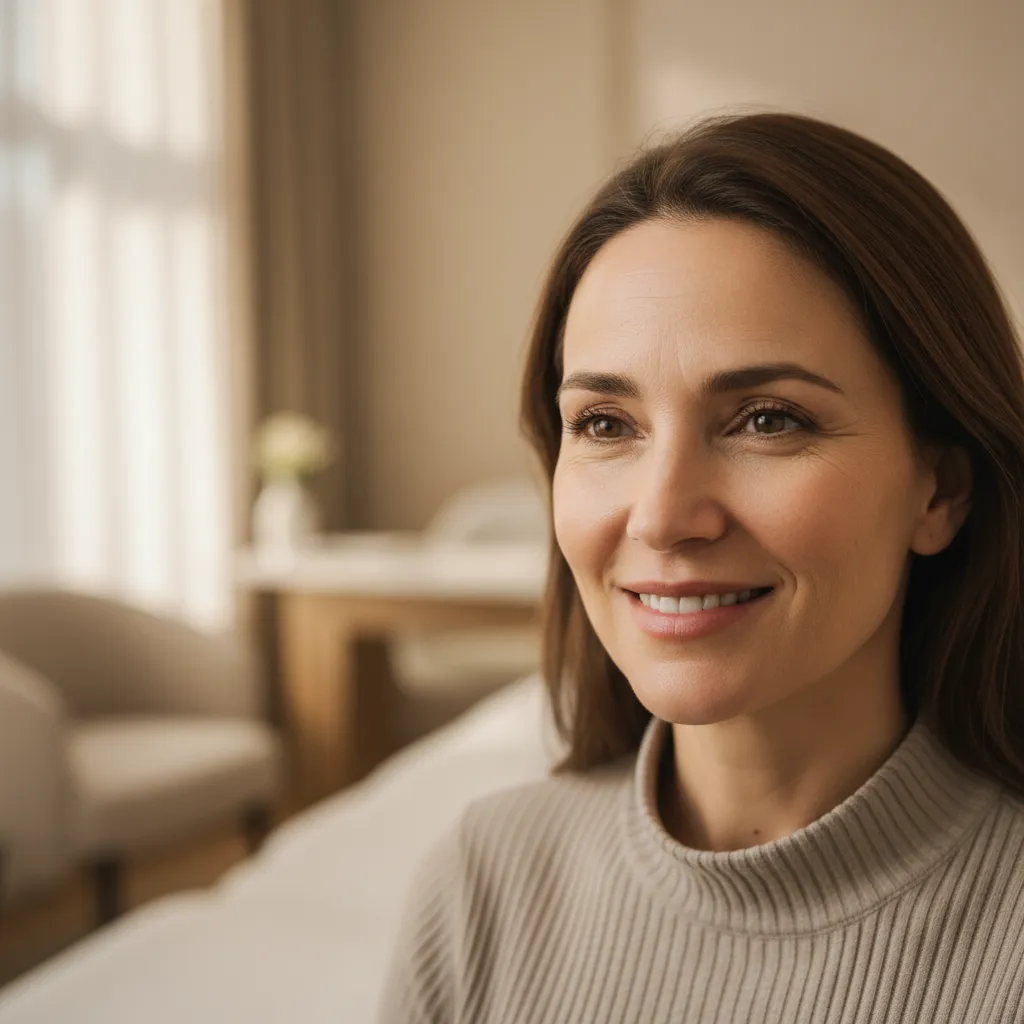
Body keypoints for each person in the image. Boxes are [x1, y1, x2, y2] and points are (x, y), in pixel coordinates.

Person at [378, 112, 1024, 1022]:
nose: (663, 515)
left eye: (768, 419)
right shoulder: (485, 882)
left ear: (941, 491)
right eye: (607, 425)